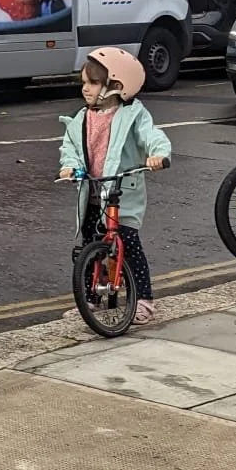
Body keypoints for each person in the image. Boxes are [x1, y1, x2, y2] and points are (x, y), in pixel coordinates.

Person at [58, 48, 172, 324]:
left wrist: (158, 154)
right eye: (84, 82)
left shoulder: (133, 114)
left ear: (116, 87)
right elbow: (71, 146)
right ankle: (90, 299)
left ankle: (143, 300)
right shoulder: (82, 117)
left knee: (130, 245)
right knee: (90, 245)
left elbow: (151, 136)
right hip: (93, 191)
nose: (85, 89)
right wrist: (69, 165)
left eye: (92, 83)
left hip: (122, 193)